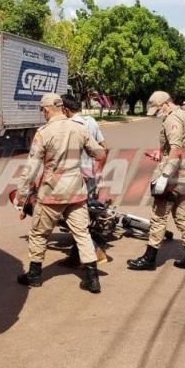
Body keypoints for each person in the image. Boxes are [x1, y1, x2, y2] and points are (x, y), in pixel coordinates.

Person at [15, 93, 107, 294]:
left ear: (46, 109)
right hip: (77, 192)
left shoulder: (43, 133)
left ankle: (35, 276)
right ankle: (92, 279)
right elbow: (100, 153)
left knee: (39, 233)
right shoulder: (79, 128)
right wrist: (89, 171)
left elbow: (30, 169)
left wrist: (21, 197)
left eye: (42, 110)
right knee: (82, 233)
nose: (43, 114)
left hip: (51, 193)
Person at [127, 91, 185, 272]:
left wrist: (165, 175)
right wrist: (161, 153)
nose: (157, 113)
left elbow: (175, 148)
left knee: (158, 216)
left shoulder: (172, 119)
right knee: (182, 216)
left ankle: (150, 259)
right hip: (184, 170)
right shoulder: (183, 115)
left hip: (173, 174)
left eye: (157, 109)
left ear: (166, 104)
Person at [59, 93, 109, 268]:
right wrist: (98, 170)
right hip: (91, 176)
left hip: (75, 178)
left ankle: (95, 252)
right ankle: (76, 256)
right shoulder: (91, 121)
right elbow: (104, 147)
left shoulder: (68, 126)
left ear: (64, 109)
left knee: (72, 216)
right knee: (80, 215)